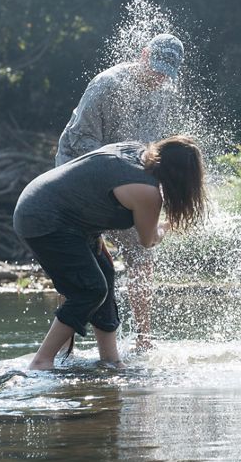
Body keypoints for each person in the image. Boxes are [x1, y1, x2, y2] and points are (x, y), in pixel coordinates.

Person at [13, 135, 207, 370]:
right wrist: (167, 227)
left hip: (47, 206)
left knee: (105, 273)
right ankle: (42, 361)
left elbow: (92, 188)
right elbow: (148, 240)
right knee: (90, 290)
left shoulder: (134, 149)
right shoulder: (147, 192)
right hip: (44, 218)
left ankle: (110, 360)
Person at [54, 33, 185, 350]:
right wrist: (119, 172)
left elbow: (151, 148)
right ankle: (65, 341)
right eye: (155, 69)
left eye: (165, 73)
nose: (158, 78)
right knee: (79, 255)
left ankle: (144, 338)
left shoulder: (164, 94)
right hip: (79, 169)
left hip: (124, 176)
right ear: (143, 56)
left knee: (143, 251)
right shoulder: (107, 84)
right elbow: (80, 141)